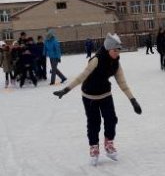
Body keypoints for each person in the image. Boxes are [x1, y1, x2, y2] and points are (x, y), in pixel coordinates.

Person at [53, 33, 142, 166]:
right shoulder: (96, 60)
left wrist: (133, 100)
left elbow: (122, 83)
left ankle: (109, 143)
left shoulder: (116, 63)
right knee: (94, 122)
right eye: (115, 50)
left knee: (111, 119)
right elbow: (81, 77)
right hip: (89, 95)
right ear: (108, 49)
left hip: (105, 94)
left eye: (119, 50)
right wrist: (66, 90)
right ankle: (94, 147)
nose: (117, 53)